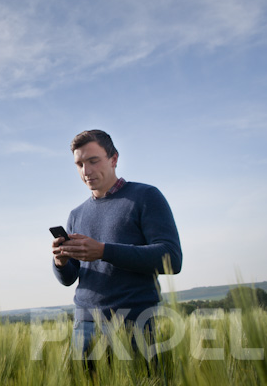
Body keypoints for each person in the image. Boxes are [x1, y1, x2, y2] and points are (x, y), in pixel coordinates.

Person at [52, 129, 182, 360]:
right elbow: (69, 279)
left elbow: (171, 258)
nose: (86, 171)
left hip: (136, 321)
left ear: (114, 159)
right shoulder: (76, 214)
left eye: (93, 161)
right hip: (85, 325)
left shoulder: (146, 196)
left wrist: (104, 251)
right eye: (79, 164)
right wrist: (60, 262)